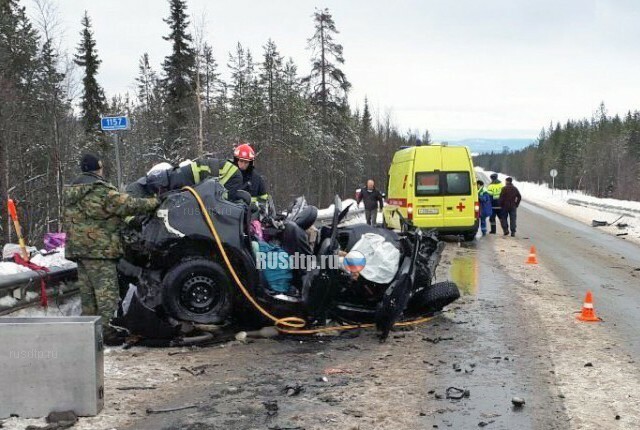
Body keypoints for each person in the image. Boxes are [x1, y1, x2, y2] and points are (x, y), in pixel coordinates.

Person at [63, 154, 159, 345]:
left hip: (79, 250)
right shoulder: (100, 190)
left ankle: (86, 332)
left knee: (88, 295)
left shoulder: (72, 191)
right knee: (106, 294)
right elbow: (128, 204)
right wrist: (156, 202)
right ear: (98, 169)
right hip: (99, 250)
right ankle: (106, 332)